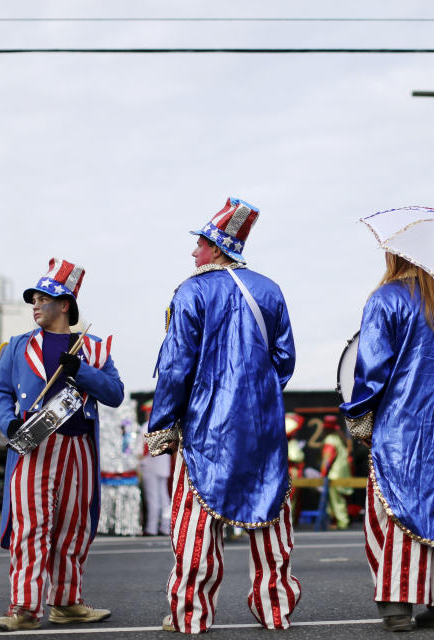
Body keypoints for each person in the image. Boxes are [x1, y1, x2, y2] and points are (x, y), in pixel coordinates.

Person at [147, 198, 300, 634]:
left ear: (217, 247)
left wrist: (162, 424)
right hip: (263, 426)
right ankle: (276, 611)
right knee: (269, 517)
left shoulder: (191, 291)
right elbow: (284, 360)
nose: (193, 253)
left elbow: (176, 366)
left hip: (206, 426)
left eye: (198, 244)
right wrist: (260, 396)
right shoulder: (269, 289)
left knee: (196, 526)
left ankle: (190, 615)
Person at [340, 251, 434, 632]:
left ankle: (398, 605)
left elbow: (372, 366)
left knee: (396, 508)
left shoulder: (386, 298)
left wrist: (358, 415)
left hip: (401, 426)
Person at [0, 257, 124, 632]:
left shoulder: (93, 348)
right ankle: (24, 608)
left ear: (64, 304)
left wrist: (81, 369)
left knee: (74, 528)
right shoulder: (16, 347)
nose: (35, 305)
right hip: (34, 446)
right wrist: (9, 421)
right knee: (31, 527)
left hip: (78, 445)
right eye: (33, 299)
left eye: (43, 299)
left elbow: (115, 394)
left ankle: (66, 602)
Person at [138, 403, 171, 537]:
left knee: (153, 498)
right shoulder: (166, 425)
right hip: (163, 466)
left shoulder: (146, 426)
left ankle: (151, 528)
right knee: (164, 498)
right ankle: (165, 527)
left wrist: (138, 459)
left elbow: (145, 449)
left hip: (150, 466)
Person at [319, 415, 353, 530]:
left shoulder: (330, 440)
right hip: (342, 473)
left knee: (337, 501)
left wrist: (323, 473)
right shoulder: (338, 438)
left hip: (335, 475)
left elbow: (327, 459)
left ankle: (342, 522)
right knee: (339, 500)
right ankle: (339, 521)